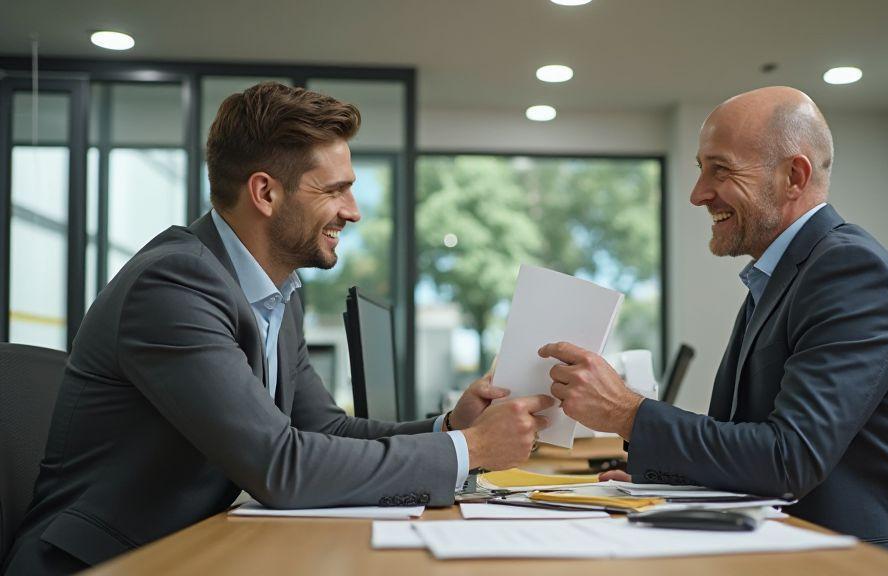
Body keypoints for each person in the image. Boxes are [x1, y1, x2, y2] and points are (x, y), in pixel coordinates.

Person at [2, 82, 553, 575]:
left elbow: (325, 432)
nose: (354, 211)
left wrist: (448, 427)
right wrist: (471, 448)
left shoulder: (277, 293)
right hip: (109, 562)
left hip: (195, 548)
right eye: (334, 190)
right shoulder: (175, 286)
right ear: (265, 193)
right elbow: (281, 465)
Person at [539, 86, 888, 558]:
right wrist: (669, 483)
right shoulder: (783, 277)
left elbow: (790, 459)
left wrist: (628, 412)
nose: (697, 194)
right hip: (786, 538)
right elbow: (755, 447)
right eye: (700, 169)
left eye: (720, 170)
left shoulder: (849, 273)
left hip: (842, 557)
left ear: (794, 175)